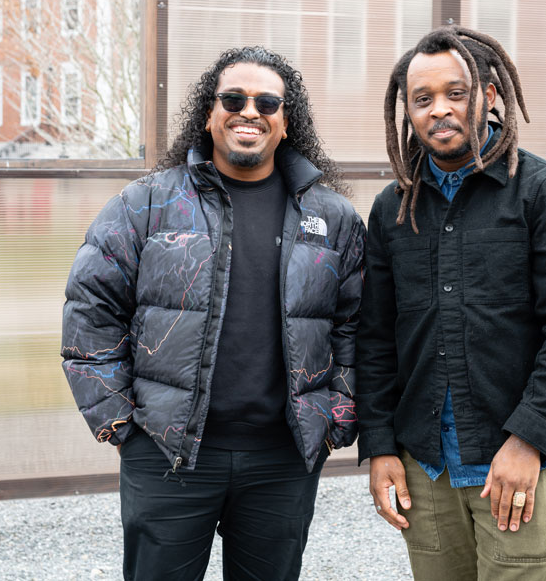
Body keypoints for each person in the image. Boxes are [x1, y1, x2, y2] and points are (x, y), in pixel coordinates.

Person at [61, 46, 365, 581]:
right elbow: (91, 310)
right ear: (209, 112)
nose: (250, 111)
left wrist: (336, 416)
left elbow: (358, 324)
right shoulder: (145, 204)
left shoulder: (332, 217)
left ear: (286, 122)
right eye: (233, 98)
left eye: (268, 101)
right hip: (167, 455)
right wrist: (122, 423)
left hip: (282, 461)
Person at [355, 26, 546, 580]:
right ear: (408, 110)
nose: (439, 110)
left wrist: (529, 439)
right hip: (427, 469)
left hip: (518, 463)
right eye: (423, 99)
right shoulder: (392, 208)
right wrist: (379, 447)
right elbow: (374, 338)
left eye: (456, 92)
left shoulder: (545, 193)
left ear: (490, 95)